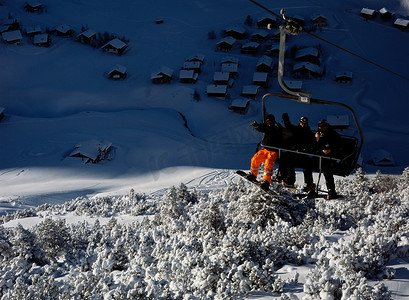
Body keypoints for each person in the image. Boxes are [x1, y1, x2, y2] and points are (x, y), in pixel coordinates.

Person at [280, 113, 316, 193]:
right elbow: (288, 126)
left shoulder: (309, 133)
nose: (303, 125)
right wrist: (286, 118)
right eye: (302, 123)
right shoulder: (296, 130)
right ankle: (289, 180)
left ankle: (309, 184)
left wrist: (302, 147)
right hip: (294, 153)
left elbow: (312, 145)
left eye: (305, 124)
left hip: (303, 153)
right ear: (300, 123)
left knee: (307, 166)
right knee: (287, 160)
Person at [246, 114, 283, 190]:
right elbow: (262, 128)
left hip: (273, 150)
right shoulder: (266, 127)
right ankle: (253, 174)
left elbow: (277, 129)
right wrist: (256, 126)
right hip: (265, 148)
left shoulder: (277, 127)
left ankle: (266, 181)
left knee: (268, 163)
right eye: (267, 122)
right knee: (255, 159)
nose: (269, 123)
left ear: (273, 121)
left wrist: (274, 125)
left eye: (270, 122)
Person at [314, 119, 341, 199]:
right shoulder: (318, 134)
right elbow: (314, 147)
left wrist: (330, 149)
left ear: (326, 126)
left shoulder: (333, 134)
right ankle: (310, 188)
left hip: (330, 157)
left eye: (322, 126)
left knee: (327, 171)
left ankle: (331, 190)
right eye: (319, 126)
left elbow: (338, 144)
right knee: (307, 165)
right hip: (319, 156)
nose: (321, 127)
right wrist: (317, 140)